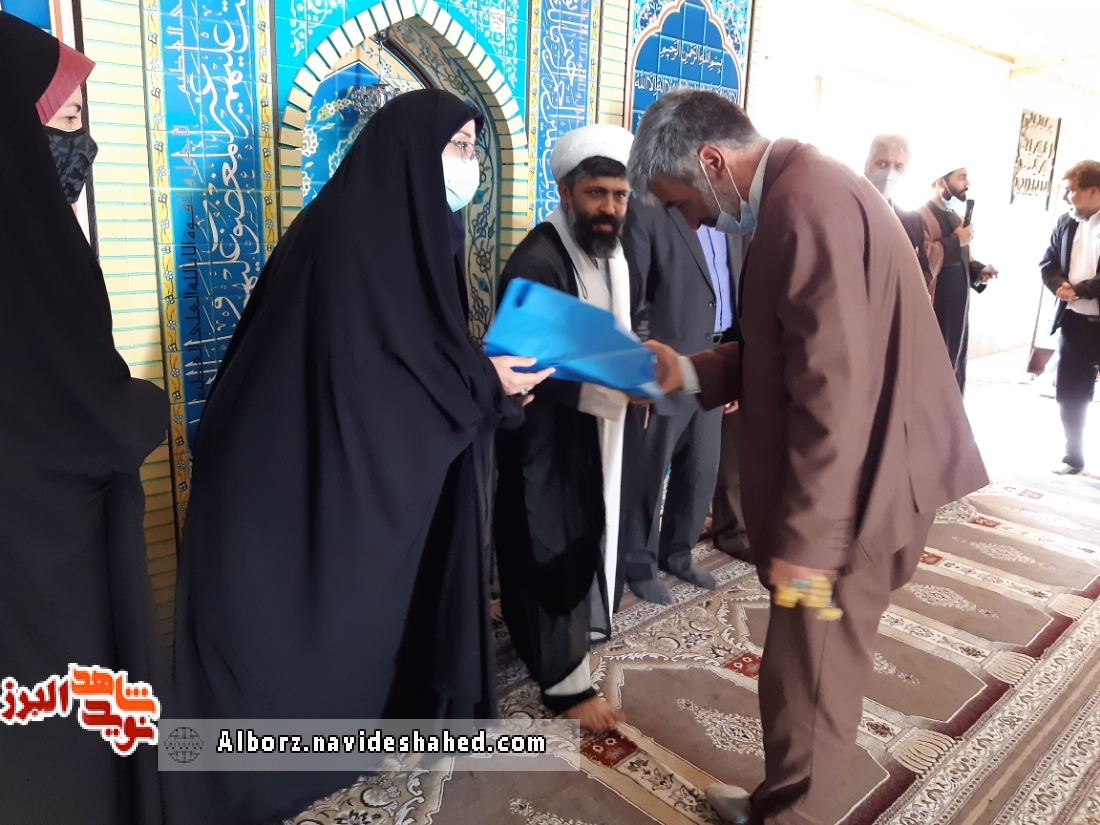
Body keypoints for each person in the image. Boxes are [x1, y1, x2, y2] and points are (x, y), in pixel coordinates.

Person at [171, 89, 550, 823]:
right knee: (304, 635)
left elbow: (416, 359)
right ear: (410, 153)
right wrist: (484, 384)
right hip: (288, 474)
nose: (469, 164)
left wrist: (487, 386)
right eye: (458, 148)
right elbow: (374, 382)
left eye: (474, 150)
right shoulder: (351, 236)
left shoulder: (414, 227)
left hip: (338, 459)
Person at [627, 89, 988, 825]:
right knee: (803, 668)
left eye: (682, 202)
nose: (690, 221)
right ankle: (785, 798)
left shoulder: (803, 205)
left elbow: (833, 391)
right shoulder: (805, 189)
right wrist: (688, 372)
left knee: (813, 674)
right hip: (869, 473)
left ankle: (796, 815)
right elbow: (786, 350)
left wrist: (812, 541)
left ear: (712, 161)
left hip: (858, 493)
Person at [0, 12, 168, 824]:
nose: (81, 142)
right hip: (42, 568)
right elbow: (81, 413)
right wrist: (147, 407)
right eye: (64, 119)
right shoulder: (28, 259)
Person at [494, 124, 640, 732]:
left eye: (619, 195)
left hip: (586, 427)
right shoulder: (538, 261)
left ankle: (548, 640)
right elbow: (533, 367)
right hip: (545, 435)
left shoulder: (610, 253)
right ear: (565, 191)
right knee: (550, 542)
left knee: (572, 536)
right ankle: (565, 685)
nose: (609, 208)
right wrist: (632, 377)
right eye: (596, 193)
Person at [618, 204, 733, 604]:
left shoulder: (731, 222)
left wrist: (735, 372)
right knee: (649, 473)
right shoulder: (648, 214)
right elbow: (634, 300)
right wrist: (641, 374)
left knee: (701, 468)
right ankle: (639, 565)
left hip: (716, 362)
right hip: (665, 366)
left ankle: (677, 554)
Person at [1040, 160, 1100, 474]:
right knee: (1070, 393)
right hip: (1074, 322)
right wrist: (1060, 286)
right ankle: (1073, 456)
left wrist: (1080, 289)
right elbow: (1048, 263)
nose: (1066, 197)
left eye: (1071, 190)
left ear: (1094, 191)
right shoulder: (1066, 222)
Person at [916, 163, 998, 392]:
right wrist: (956, 240)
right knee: (932, 368)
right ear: (941, 181)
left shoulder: (957, 218)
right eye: (961, 178)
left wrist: (979, 272)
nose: (967, 184)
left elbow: (964, 260)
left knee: (954, 366)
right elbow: (921, 259)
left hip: (958, 309)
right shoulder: (919, 217)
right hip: (935, 307)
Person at [863, 134, 932, 291]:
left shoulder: (913, 221)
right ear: (867, 164)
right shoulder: (845, 214)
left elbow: (925, 273)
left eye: (898, 167)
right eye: (882, 164)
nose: (889, 173)